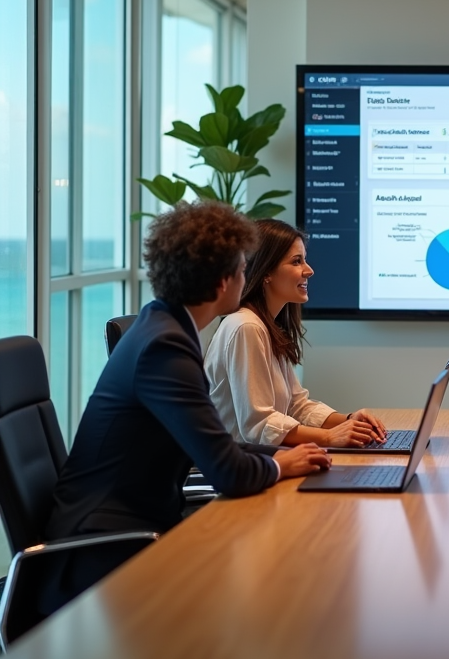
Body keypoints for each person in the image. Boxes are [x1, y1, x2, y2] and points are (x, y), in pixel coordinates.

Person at [43, 201, 331, 613]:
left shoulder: (162, 328)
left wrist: (287, 455)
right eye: (243, 269)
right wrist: (282, 464)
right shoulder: (165, 348)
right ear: (221, 282)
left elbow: (217, 445)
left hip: (128, 531)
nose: (247, 278)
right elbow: (229, 471)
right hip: (102, 553)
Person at [205, 219, 386, 448]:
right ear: (266, 271)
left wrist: (349, 421)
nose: (309, 270)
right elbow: (258, 425)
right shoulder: (245, 327)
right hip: (241, 473)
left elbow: (297, 406)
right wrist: (330, 437)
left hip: (263, 462)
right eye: (296, 261)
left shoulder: (264, 325)